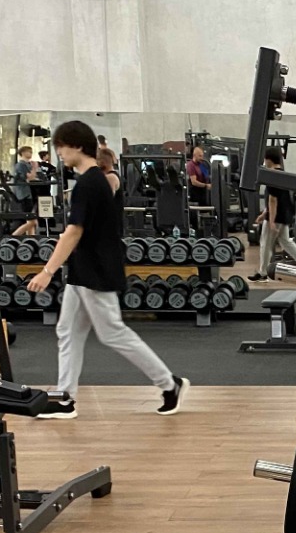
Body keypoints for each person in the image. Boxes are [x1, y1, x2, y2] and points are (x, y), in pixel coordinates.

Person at [27, 120, 189, 419]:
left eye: (61, 146)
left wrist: (47, 271)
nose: (59, 152)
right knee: (67, 331)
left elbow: (73, 232)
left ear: (77, 146)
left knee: (113, 333)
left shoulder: (89, 184)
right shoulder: (90, 181)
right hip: (83, 270)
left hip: (96, 271)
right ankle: (65, 398)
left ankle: (169, 383)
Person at [250, 146, 296, 280]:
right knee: (286, 242)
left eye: (265, 160)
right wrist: (264, 214)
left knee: (265, 244)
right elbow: (276, 198)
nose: (264, 162)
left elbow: (273, 200)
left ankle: (263, 273)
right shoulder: (282, 174)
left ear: (269, 160)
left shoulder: (272, 176)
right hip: (284, 215)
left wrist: (271, 221)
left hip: (276, 217)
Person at [11, 146, 40, 234]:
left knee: (31, 220)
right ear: (23, 153)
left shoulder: (27, 164)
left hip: (29, 193)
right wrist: (35, 168)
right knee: (32, 220)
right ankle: (15, 235)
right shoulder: (21, 165)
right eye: (28, 151)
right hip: (24, 194)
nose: (31, 153)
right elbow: (30, 178)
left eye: (31, 152)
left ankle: (31, 237)